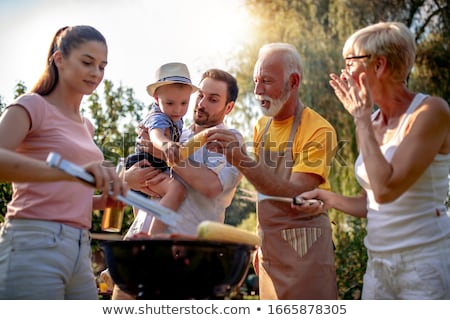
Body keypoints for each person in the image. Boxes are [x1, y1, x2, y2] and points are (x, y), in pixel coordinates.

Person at [295, 21, 450, 299]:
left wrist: (361, 119)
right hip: (377, 267)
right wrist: (326, 198)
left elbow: (385, 189)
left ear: (378, 66)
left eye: (350, 63)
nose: (344, 73)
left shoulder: (431, 111)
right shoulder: (373, 120)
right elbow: (373, 203)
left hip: (424, 265)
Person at [0, 25, 126, 300]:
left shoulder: (87, 126)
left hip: (79, 245)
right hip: (33, 240)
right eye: (87, 62)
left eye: (102, 66)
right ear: (59, 59)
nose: (96, 73)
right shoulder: (32, 105)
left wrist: (101, 202)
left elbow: (63, 192)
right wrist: (72, 172)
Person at [206, 43, 339, 299]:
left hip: (306, 251)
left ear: (293, 81)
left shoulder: (318, 130)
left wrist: (241, 159)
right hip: (270, 249)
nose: (257, 91)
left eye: (266, 81)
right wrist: (260, 241)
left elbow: (296, 191)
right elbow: (263, 189)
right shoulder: (261, 127)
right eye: (256, 81)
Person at [110, 68, 243, 299]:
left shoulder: (229, 140)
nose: (201, 103)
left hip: (186, 259)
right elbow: (133, 173)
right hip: (137, 252)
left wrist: (165, 156)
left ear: (228, 107)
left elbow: (210, 185)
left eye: (213, 100)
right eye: (200, 95)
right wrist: (126, 178)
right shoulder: (173, 130)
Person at [125, 62, 198, 235]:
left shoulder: (177, 119)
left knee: (142, 209)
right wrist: (167, 144)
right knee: (176, 190)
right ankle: (153, 237)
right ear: (157, 99)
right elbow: (156, 135)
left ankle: (141, 234)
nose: (177, 109)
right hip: (146, 164)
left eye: (184, 103)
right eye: (170, 103)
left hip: (156, 164)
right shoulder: (158, 117)